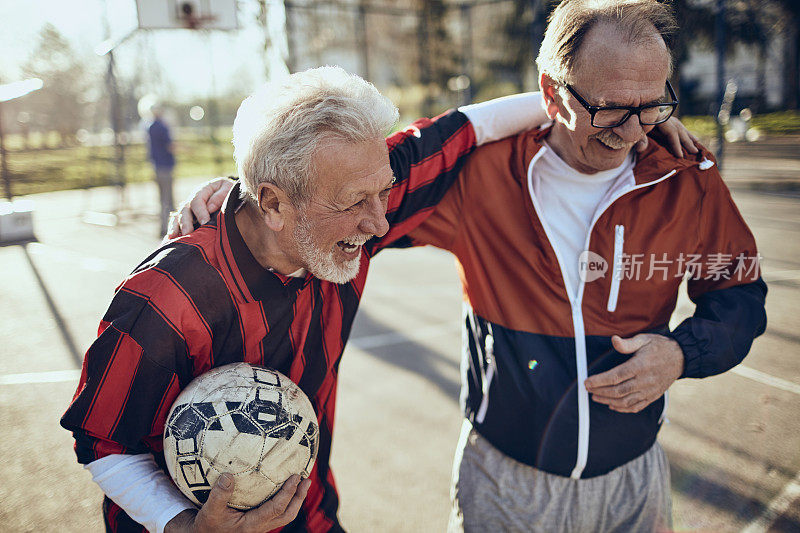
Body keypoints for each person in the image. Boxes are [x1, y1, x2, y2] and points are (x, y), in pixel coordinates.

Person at [180, 1, 766, 531]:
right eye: (612, 108)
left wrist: (683, 353)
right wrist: (255, 195)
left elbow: (740, 296)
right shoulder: (480, 174)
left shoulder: (686, 176)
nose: (633, 132)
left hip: (633, 478)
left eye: (652, 106)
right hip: (505, 483)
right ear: (553, 92)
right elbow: (346, 193)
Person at [61, 66, 578, 533]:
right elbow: (103, 442)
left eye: (385, 192)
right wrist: (182, 527)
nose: (379, 222)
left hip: (311, 522)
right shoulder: (167, 296)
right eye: (356, 203)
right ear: (272, 203)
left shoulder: (355, 180)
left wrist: (596, 105)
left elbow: (466, 128)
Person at [147, 104, 176, 235]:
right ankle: (170, 228)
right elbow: (169, 145)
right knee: (167, 199)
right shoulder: (162, 127)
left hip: (157, 166)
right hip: (165, 166)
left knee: (162, 199)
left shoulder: (150, 127)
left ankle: (165, 226)